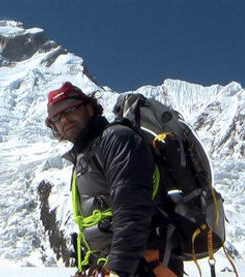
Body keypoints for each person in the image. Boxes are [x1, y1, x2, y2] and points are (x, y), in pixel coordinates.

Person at [45, 82, 184, 277]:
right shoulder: (84, 157)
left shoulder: (116, 139)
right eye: (57, 117)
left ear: (90, 108)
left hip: (143, 266)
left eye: (70, 109)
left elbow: (132, 209)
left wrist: (119, 269)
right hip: (116, 265)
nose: (65, 119)